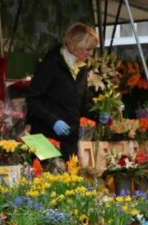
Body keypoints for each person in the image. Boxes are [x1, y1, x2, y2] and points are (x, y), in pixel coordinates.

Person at [26, 23, 104, 160]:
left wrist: (99, 114)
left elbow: (83, 104)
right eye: (88, 49)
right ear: (75, 45)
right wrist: (53, 121)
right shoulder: (50, 64)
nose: (91, 53)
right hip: (46, 138)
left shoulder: (82, 69)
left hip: (69, 140)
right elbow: (33, 99)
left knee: (70, 177)